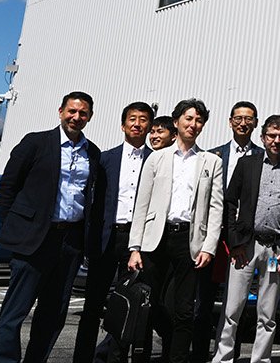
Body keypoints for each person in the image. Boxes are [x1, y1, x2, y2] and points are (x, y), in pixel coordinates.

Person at [0, 91, 102, 363]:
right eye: (72, 111)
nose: (76, 117)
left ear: (90, 117)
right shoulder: (36, 142)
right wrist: (14, 227)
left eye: (83, 113)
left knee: (53, 315)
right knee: (15, 312)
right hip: (34, 241)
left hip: (70, 243)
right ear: (61, 111)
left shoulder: (92, 152)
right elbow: (8, 187)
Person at [127, 99, 226, 363]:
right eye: (188, 118)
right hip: (156, 238)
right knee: (149, 305)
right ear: (176, 121)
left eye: (199, 120)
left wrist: (209, 247)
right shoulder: (157, 158)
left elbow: (215, 208)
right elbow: (142, 203)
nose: (193, 124)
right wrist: (135, 247)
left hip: (190, 241)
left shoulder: (211, 162)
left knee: (184, 309)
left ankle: (178, 358)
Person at [212, 115, 280, 363]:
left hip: (276, 249)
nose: (276, 140)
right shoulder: (247, 164)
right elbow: (230, 202)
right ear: (263, 137)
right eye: (272, 135)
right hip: (246, 246)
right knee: (232, 309)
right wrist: (235, 242)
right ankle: (223, 358)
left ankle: (261, 359)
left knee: (267, 313)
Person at [74, 101, 155, 363]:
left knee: (129, 305)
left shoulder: (156, 160)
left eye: (143, 119)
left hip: (137, 242)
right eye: (132, 119)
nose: (137, 124)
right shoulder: (104, 159)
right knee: (93, 305)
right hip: (106, 239)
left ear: (149, 126)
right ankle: (83, 358)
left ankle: (115, 358)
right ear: (123, 125)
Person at [196, 102, 263, 360]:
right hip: (213, 235)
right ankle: (201, 354)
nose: (243, 123)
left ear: (255, 123)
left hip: (244, 238)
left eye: (248, 119)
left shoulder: (262, 156)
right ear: (230, 121)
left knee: (236, 302)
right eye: (238, 118)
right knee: (204, 299)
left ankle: (230, 355)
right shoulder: (213, 155)